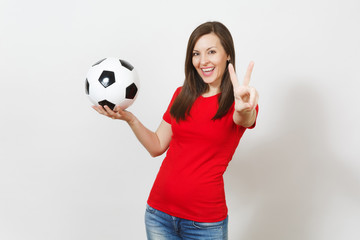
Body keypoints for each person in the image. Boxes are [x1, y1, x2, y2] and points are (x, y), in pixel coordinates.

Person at [93, 21, 259, 240]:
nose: (203, 61)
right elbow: (156, 146)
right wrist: (130, 119)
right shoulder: (182, 95)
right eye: (196, 54)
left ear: (227, 54)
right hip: (159, 215)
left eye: (211, 51)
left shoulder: (238, 102)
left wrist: (244, 107)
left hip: (205, 223)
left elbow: (245, 118)